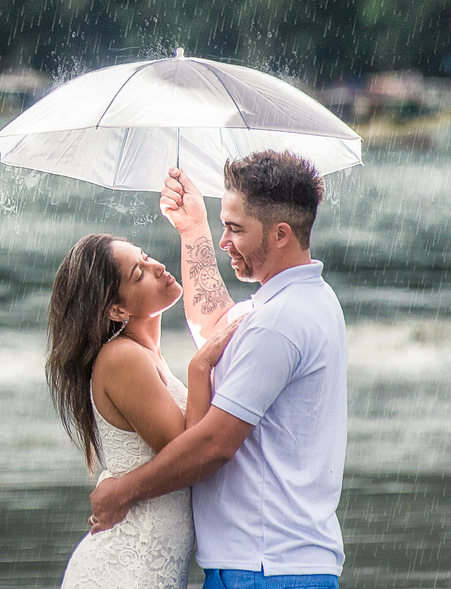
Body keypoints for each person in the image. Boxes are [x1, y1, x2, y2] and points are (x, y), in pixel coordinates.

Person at [89, 151, 348, 588]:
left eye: (235, 228)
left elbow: (213, 447)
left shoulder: (276, 323)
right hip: (278, 562)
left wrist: (123, 491)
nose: (224, 240)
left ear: (280, 234)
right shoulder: (306, 301)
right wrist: (193, 229)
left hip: (264, 568)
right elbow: (214, 324)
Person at [48, 233, 240, 588]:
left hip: (149, 563)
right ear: (117, 310)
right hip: (128, 568)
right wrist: (200, 368)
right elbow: (189, 454)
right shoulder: (122, 357)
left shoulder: (145, 356)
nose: (158, 267)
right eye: (139, 273)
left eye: (147, 256)